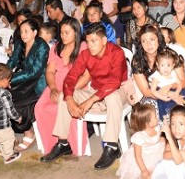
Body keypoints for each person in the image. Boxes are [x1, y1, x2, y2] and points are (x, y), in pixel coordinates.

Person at [41, 22, 128, 170]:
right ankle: (63, 143)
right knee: (64, 94)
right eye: (87, 42)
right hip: (96, 92)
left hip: (119, 91)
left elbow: (114, 82)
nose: (90, 45)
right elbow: (70, 78)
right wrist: (69, 100)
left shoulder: (116, 52)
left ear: (104, 40)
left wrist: (89, 102)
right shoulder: (85, 54)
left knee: (111, 96)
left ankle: (112, 146)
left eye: (94, 41)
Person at [34, 18, 88, 155]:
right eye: (61, 33)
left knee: (63, 107)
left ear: (76, 32)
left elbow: (87, 76)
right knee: (40, 107)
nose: (63, 35)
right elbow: (50, 71)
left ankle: (69, 144)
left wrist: (69, 90)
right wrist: (52, 89)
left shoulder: (83, 47)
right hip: (56, 85)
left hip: (76, 86)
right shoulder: (56, 47)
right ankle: (52, 145)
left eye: (66, 32)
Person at [6, 18, 50, 151]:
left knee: (16, 101)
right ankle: (10, 135)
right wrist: (4, 76)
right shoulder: (20, 44)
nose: (23, 34)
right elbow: (12, 61)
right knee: (4, 97)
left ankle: (29, 133)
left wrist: (11, 78)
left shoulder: (42, 46)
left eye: (26, 31)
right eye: (21, 31)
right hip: (23, 80)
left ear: (35, 32)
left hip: (38, 82)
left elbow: (34, 72)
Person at [131, 24, 185, 122]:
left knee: (180, 112)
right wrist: (168, 94)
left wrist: (169, 87)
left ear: (158, 39)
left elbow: (183, 82)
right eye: (144, 41)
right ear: (140, 43)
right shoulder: (138, 61)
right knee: (149, 114)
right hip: (152, 95)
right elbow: (146, 91)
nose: (148, 45)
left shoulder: (170, 55)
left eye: (152, 39)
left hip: (176, 91)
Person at [116, 103, 165, 179]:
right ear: (147, 123)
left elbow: (158, 138)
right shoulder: (139, 137)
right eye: (155, 116)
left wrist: (163, 140)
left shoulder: (156, 128)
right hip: (143, 156)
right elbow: (138, 156)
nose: (157, 117)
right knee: (147, 173)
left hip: (155, 150)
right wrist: (144, 170)